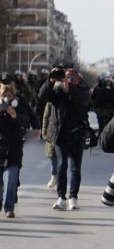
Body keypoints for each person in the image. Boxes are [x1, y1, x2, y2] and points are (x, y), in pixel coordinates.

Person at [39, 66, 91, 210]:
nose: (68, 80)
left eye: (72, 78)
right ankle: (61, 197)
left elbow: (85, 99)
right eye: (65, 77)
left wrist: (70, 87)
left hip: (76, 134)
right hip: (60, 135)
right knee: (62, 166)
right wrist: (50, 80)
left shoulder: (80, 90)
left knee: (75, 168)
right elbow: (42, 95)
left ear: (77, 79)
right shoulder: (57, 91)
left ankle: (73, 197)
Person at [0, 82, 31, 218]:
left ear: (13, 96)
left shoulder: (18, 105)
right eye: (4, 95)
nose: (7, 98)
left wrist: (15, 115)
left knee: (11, 180)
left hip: (13, 148)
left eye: (10, 96)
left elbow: (26, 121)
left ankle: (9, 208)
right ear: (0, 95)